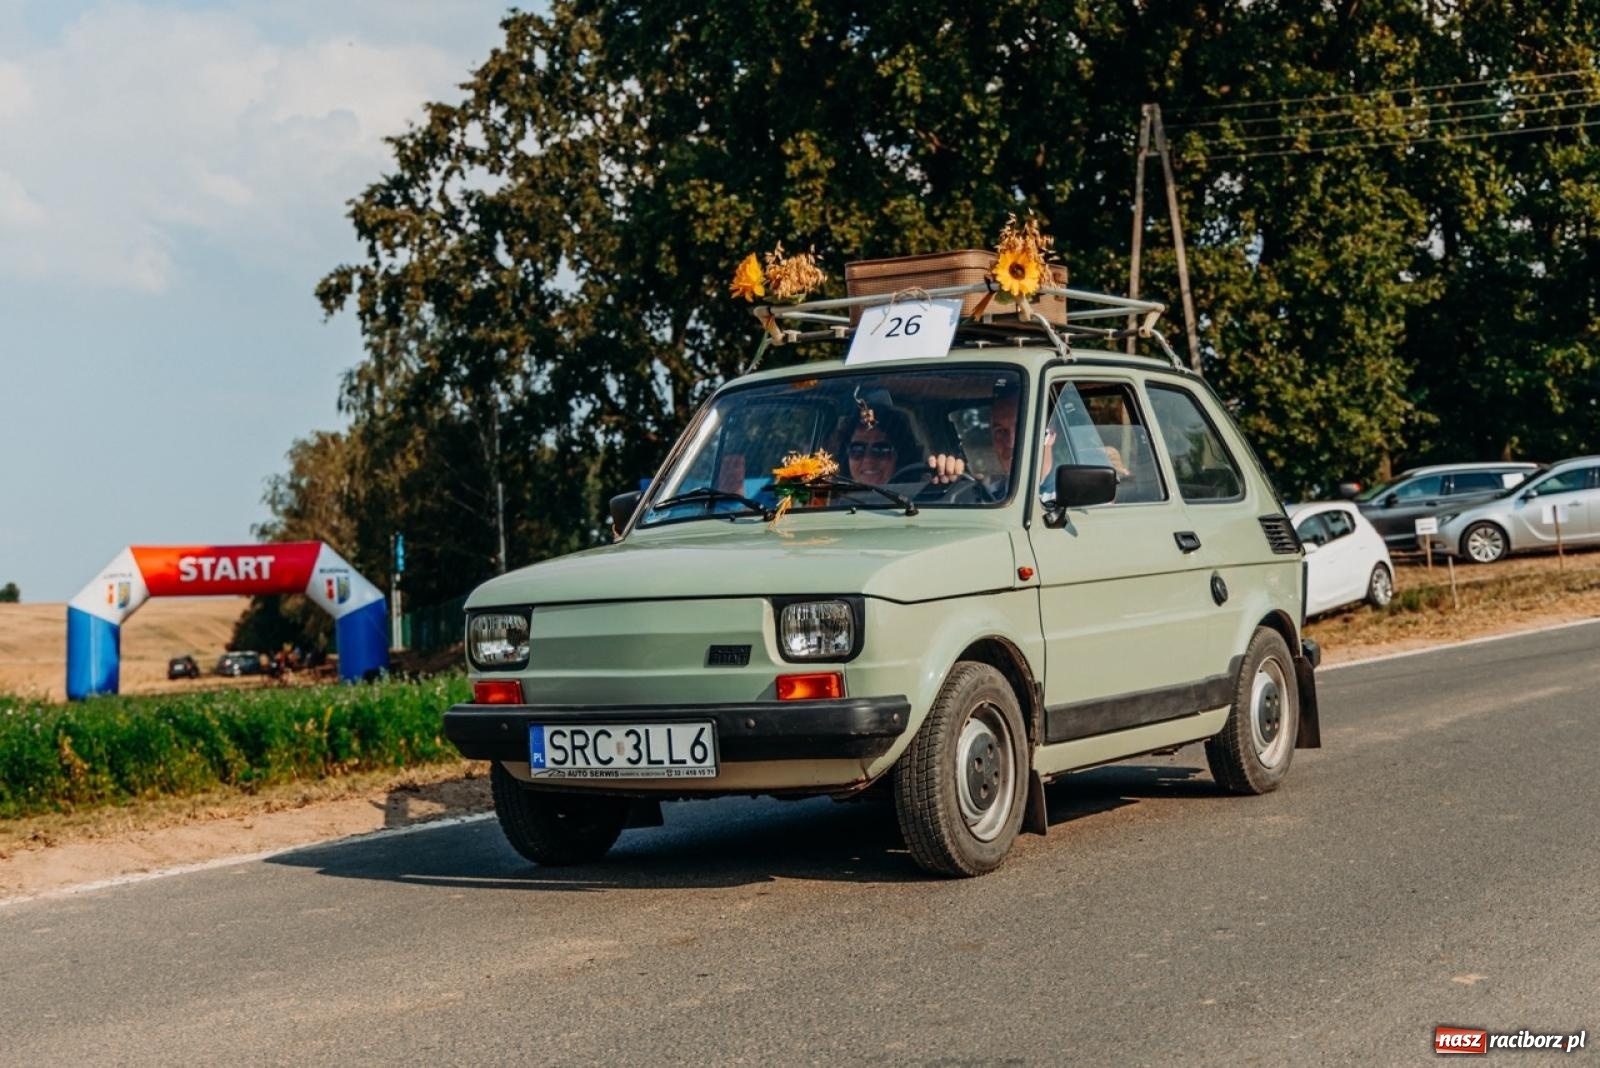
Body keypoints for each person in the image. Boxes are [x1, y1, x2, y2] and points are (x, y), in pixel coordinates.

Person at [927, 383, 1021, 496]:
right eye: (1000, 431)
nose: (1010, 443)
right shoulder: (994, 495)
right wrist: (951, 482)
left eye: (1020, 428)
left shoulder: (1042, 497)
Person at [833, 406, 921, 486]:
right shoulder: (830, 496)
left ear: (900, 456)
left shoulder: (922, 496)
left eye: (881, 450)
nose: (868, 459)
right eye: (857, 450)